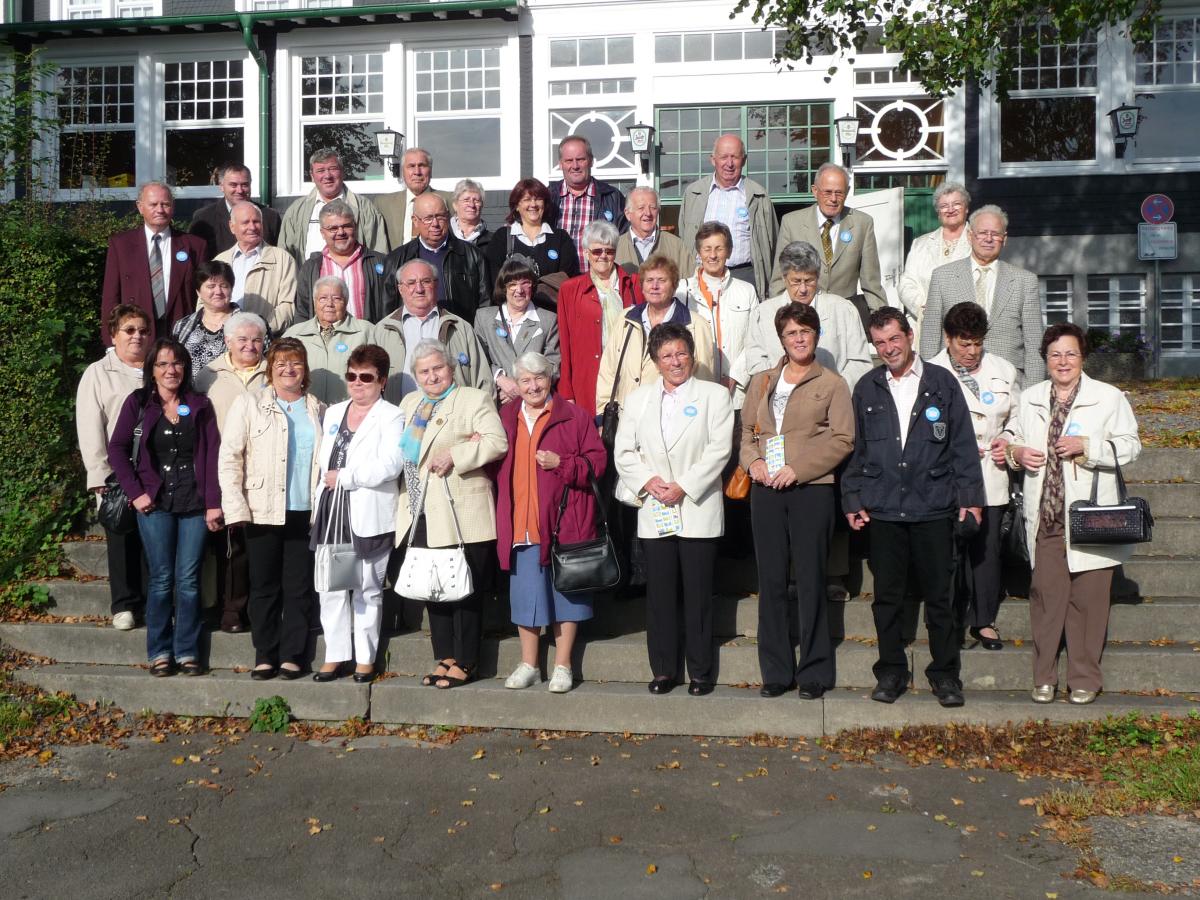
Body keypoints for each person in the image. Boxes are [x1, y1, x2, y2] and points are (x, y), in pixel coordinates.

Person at [842, 308, 984, 708]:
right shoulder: (867, 387)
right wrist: (852, 498)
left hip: (934, 506)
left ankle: (945, 674)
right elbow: (857, 449)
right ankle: (890, 670)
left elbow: (963, 447)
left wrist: (970, 500)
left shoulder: (942, 383)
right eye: (880, 343)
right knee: (887, 598)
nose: (889, 349)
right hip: (884, 508)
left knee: (941, 597)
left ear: (909, 336)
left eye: (894, 339)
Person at [1001, 323, 1141, 705]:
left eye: (1071, 354)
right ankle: (1043, 676)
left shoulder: (1108, 397)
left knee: (1089, 603)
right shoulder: (1029, 398)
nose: (1063, 362)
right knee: (1046, 600)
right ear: (1045, 359)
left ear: (1083, 357)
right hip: (1046, 517)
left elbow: (1131, 446)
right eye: (1055, 355)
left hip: (1092, 519)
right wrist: (1014, 452)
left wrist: (1088, 446)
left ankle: (1084, 678)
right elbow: (1009, 437)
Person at [740, 302, 854, 699]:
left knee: (809, 581)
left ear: (816, 335)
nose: (799, 338)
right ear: (782, 339)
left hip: (811, 490)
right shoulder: (763, 380)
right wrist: (753, 462)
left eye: (805, 331)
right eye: (791, 333)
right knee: (770, 580)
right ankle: (775, 670)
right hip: (766, 490)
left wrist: (799, 469)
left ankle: (815, 672)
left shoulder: (833, 383)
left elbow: (843, 439)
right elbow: (747, 432)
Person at [613, 323, 734, 695]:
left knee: (697, 595)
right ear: (655, 361)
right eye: (666, 355)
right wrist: (650, 482)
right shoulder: (638, 400)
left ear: (692, 355)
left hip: (696, 504)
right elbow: (624, 451)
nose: (675, 361)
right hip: (655, 506)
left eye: (681, 353)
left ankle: (700, 672)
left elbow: (719, 450)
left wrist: (684, 485)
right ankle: (664, 669)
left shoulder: (715, 396)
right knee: (660, 594)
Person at [395, 340, 507, 690]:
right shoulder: (410, 403)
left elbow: (496, 441)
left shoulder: (472, 399)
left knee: (464, 589)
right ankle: (444, 656)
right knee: (434, 587)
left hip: (462, 510)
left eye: (438, 368)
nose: (432, 376)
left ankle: (467, 660)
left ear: (451, 368)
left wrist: (457, 454)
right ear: (415, 376)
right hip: (420, 507)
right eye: (424, 371)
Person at [107, 338, 223, 677]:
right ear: (152, 370)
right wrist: (135, 492)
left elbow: (213, 455)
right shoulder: (139, 402)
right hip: (154, 503)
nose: (170, 370)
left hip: (193, 502)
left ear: (185, 368)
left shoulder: (199, 404)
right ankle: (159, 650)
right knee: (161, 578)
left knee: (188, 580)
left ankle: (187, 650)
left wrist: (213, 503)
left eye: (176, 364)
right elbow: (117, 449)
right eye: (162, 364)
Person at [496, 352, 606, 694]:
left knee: (566, 595)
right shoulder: (506, 416)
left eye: (539, 378)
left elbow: (597, 464)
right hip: (521, 521)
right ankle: (529, 664)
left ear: (551, 378)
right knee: (525, 596)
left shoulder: (574, 416)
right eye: (525, 380)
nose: (533, 386)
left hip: (563, 521)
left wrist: (562, 463)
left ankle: (562, 665)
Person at [218, 338, 323, 680]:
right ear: (270, 368)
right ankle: (265, 653)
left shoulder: (317, 408)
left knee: (299, 585)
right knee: (263, 585)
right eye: (280, 364)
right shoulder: (250, 404)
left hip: (304, 510)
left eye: (295, 363)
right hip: (262, 509)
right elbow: (230, 457)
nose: (288, 369)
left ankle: (293, 654)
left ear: (304, 369)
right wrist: (235, 508)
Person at [929, 302, 1021, 651]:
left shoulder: (1003, 369)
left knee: (986, 550)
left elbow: (1017, 416)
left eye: (978, 342)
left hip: (991, 474)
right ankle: (950, 619)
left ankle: (984, 621)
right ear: (948, 338)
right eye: (964, 343)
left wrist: (1009, 439)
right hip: (948, 477)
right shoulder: (930, 372)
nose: (972, 351)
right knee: (950, 551)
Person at [311, 344, 405, 684]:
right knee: (331, 587)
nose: (357, 383)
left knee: (367, 588)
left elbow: (392, 464)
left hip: (367, 510)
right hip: (331, 509)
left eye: (366, 377)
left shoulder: (391, 415)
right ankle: (335, 655)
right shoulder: (333, 412)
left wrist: (347, 477)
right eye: (351, 376)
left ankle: (365, 658)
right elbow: (323, 461)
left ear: (382, 381)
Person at [76, 304, 150, 631]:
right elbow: (90, 425)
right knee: (121, 536)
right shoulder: (98, 372)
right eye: (129, 330)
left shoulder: (159, 366)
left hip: (154, 471)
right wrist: (97, 474)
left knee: (152, 539)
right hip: (115, 471)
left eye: (143, 331)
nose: (137, 336)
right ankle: (124, 604)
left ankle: (152, 603)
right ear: (114, 334)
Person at [920, 204, 1043, 385]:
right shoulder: (942, 276)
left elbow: (1035, 344)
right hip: (954, 379)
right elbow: (930, 334)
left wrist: (1033, 394)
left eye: (995, 234)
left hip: (1008, 382)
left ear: (1005, 238)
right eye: (982, 233)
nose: (988, 239)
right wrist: (929, 384)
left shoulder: (1025, 281)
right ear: (970, 236)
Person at [595, 255, 714, 416]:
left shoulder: (695, 325)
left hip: (672, 420)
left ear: (673, 285)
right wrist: (603, 414)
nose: (655, 286)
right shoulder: (626, 319)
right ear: (642, 286)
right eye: (649, 280)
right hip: (626, 418)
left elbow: (703, 381)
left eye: (662, 280)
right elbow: (608, 370)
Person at [745, 241, 873, 390]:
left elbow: (860, 362)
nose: (803, 289)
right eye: (796, 281)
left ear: (818, 276)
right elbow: (756, 362)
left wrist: (835, 390)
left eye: (809, 281)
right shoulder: (763, 314)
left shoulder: (843, 310)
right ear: (784, 278)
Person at [769, 163, 886, 322]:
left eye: (839, 193)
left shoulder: (862, 223)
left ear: (847, 192)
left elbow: (871, 283)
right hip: (802, 316)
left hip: (844, 317)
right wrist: (781, 320)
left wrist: (883, 322)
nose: (833, 199)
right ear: (815, 191)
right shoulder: (792, 222)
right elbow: (779, 280)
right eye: (828, 192)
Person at [101, 181, 208, 344]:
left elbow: (204, 297)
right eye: (153, 204)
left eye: (165, 204)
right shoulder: (121, 245)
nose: (160, 210)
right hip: (136, 336)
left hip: (181, 335)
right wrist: (111, 342)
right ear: (140, 207)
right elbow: (111, 296)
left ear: (173, 206)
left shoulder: (195, 246)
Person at [374, 260, 493, 404]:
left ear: (436, 285)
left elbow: (484, 382)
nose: (419, 289)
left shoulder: (461, 328)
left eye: (425, 281)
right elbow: (368, 383)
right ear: (400, 289)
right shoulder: (381, 330)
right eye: (411, 283)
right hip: (399, 418)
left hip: (452, 421)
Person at [556, 221, 641, 417]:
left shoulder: (633, 285)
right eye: (597, 251)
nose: (603, 256)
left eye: (609, 251)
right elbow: (565, 343)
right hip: (587, 378)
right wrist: (567, 390)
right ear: (586, 253)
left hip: (627, 372)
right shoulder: (570, 290)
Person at [678, 134, 778, 299]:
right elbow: (684, 236)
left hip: (744, 275)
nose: (729, 163)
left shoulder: (759, 196)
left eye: (735, 157)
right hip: (702, 275)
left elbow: (772, 243)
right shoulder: (693, 193)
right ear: (713, 160)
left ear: (744, 160)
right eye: (724, 157)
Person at [680, 221, 758, 406]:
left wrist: (735, 377)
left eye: (719, 248)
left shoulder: (747, 291)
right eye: (707, 249)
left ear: (729, 251)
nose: (713, 255)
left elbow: (756, 339)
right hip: (693, 391)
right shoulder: (682, 291)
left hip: (737, 394)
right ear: (699, 252)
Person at [383, 192, 490, 321]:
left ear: (448, 216)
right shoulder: (397, 259)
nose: (435, 224)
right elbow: (387, 309)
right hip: (412, 336)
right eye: (428, 218)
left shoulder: (473, 256)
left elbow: (486, 304)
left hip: (459, 333)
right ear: (415, 221)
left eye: (440, 217)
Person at [279, 148, 388, 266]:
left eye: (333, 169)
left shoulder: (365, 208)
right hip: (310, 282)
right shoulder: (296, 211)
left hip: (353, 281)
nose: (327, 176)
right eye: (320, 170)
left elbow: (379, 253)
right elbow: (284, 257)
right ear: (312, 176)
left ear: (343, 172)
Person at [474, 258, 561, 405]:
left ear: (532, 286)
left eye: (525, 283)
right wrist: (500, 379)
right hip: (496, 401)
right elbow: (479, 358)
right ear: (503, 288)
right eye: (512, 284)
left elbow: (553, 365)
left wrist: (521, 389)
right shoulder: (484, 317)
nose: (519, 290)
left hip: (534, 402)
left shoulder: (549, 320)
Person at [295, 200, 392, 324]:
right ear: (322, 233)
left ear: (355, 227)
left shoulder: (379, 262)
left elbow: (391, 309)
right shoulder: (311, 267)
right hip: (324, 340)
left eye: (346, 226)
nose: (341, 232)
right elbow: (302, 313)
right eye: (333, 228)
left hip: (367, 339)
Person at [897, 183, 971, 344]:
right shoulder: (920, 244)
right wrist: (923, 307)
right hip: (926, 329)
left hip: (967, 330)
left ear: (966, 208)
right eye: (944, 206)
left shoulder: (978, 243)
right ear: (938, 212)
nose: (950, 209)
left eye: (956, 204)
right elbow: (906, 283)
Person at [282, 276, 376, 404]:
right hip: (307, 412)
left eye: (337, 298)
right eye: (323, 298)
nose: (329, 304)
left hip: (352, 413)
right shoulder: (294, 334)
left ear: (346, 302)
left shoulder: (366, 331)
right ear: (314, 302)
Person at [215, 200, 298, 334]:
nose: (252, 227)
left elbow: (288, 306)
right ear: (232, 226)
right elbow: (205, 303)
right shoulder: (220, 261)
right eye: (245, 222)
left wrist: (258, 330)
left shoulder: (283, 259)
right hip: (224, 339)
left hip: (265, 340)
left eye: (256, 221)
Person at [547, 134, 627, 267]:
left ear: (591, 161)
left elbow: (624, 242)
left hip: (598, 281)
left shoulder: (612, 197)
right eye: (568, 160)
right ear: (560, 164)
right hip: (557, 283)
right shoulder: (547, 197)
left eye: (580, 159)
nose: (575, 165)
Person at [486, 178, 580, 284]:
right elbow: (494, 281)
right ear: (517, 206)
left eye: (538, 199)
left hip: (552, 301)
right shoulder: (502, 238)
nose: (533, 204)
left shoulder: (561, 239)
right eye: (527, 199)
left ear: (545, 204)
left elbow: (568, 281)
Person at [196, 311, 269, 433]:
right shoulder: (208, 375)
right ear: (228, 341)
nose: (250, 346)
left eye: (256, 340)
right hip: (221, 449)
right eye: (242, 339)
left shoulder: (274, 374)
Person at [188, 162, 281, 259]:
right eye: (233, 185)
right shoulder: (204, 218)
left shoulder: (270, 217)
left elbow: (278, 255)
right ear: (221, 186)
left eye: (244, 185)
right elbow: (195, 257)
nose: (240, 190)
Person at [172, 261, 241, 378]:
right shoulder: (182, 326)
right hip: (190, 394)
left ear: (231, 289)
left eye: (224, 285)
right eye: (211, 286)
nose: (218, 292)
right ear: (198, 292)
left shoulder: (251, 325)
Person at [374, 147, 452, 248]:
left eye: (422, 165)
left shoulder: (450, 200)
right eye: (411, 166)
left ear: (430, 170)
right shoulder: (382, 204)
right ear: (403, 172)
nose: (417, 172)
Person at [615, 187, 693, 277]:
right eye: (641, 208)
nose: (648, 213)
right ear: (628, 214)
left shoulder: (677, 246)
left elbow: (690, 284)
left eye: (653, 208)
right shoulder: (615, 248)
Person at [449, 178, 491, 253]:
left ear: (482, 205)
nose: (471, 205)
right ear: (455, 205)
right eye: (466, 200)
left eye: (476, 201)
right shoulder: (444, 237)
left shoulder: (492, 241)